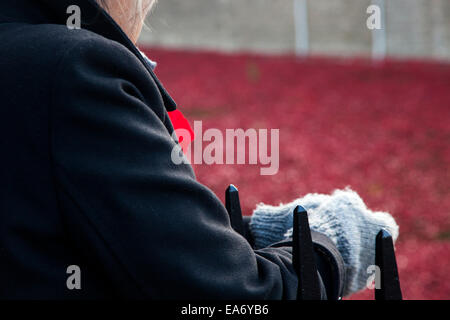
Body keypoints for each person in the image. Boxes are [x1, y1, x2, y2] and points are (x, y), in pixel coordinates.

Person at [0, 0, 398, 299]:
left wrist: (239, 235)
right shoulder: (74, 65)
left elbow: (80, 225)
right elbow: (225, 298)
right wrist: (330, 247)